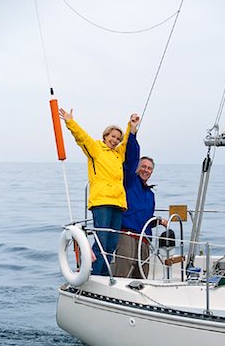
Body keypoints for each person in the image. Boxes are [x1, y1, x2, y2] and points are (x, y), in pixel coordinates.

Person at [59, 108, 139, 276]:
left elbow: (126, 143)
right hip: (102, 202)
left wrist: (131, 126)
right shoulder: (95, 148)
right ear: (105, 136)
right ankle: (94, 275)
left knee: (111, 244)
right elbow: (82, 138)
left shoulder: (119, 154)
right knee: (101, 241)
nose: (115, 140)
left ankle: (104, 276)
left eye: (117, 138)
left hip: (118, 203)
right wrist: (70, 121)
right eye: (112, 136)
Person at [113, 120, 167, 278]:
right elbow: (130, 156)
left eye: (149, 168)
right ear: (137, 167)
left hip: (144, 239)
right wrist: (132, 133)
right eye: (143, 166)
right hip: (127, 235)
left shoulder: (151, 194)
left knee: (142, 275)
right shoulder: (129, 181)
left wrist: (158, 221)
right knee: (123, 272)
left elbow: (145, 217)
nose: (146, 170)